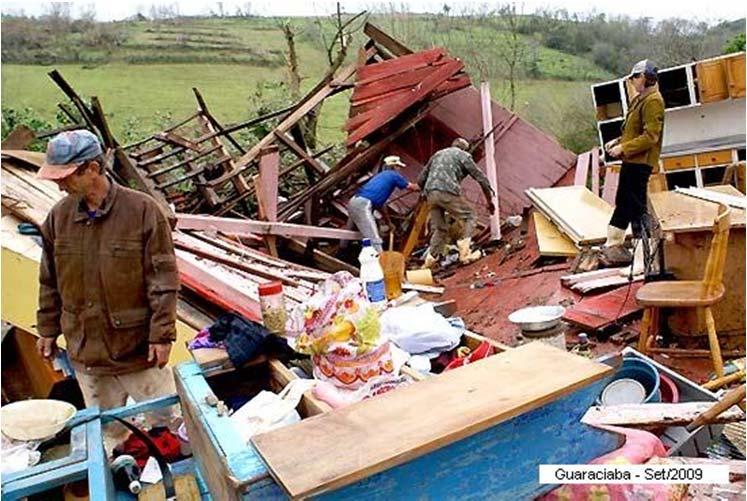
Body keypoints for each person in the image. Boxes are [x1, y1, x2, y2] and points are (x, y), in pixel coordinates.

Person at [35, 130, 180, 427]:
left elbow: (163, 281)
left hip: (137, 351)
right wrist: (47, 329)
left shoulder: (142, 211)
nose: (60, 185)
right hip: (87, 353)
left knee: (170, 429)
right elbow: (49, 281)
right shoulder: (58, 218)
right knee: (108, 436)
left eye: (66, 176)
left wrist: (161, 335)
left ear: (92, 169)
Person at [601, 59, 665, 266]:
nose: (633, 81)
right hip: (631, 161)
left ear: (646, 78)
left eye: (636, 77)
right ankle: (613, 247)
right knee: (623, 203)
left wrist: (624, 149)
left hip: (641, 163)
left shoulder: (653, 101)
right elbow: (633, 130)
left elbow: (650, 137)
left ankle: (643, 260)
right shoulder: (639, 99)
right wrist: (618, 141)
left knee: (637, 209)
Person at [418, 137, 495, 268]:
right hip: (447, 191)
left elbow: (421, 179)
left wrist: (426, 192)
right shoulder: (463, 155)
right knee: (470, 216)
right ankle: (465, 254)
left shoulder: (438, 154)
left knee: (440, 229)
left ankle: (429, 262)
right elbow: (481, 179)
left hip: (430, 194)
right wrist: (489, 201)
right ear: (464, 149)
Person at [346, 155, 419, 252]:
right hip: (363, 205)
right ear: (394, 167)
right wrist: (428, 186)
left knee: (348, 235)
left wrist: (389, 223)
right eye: (399, 167)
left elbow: (382, 205)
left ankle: (342, 253)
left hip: (354, 202)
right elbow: (412, 187)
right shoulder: (394, 175)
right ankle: (381, 263)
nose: (400, 169)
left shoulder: (381, 176)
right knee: (374, 239)